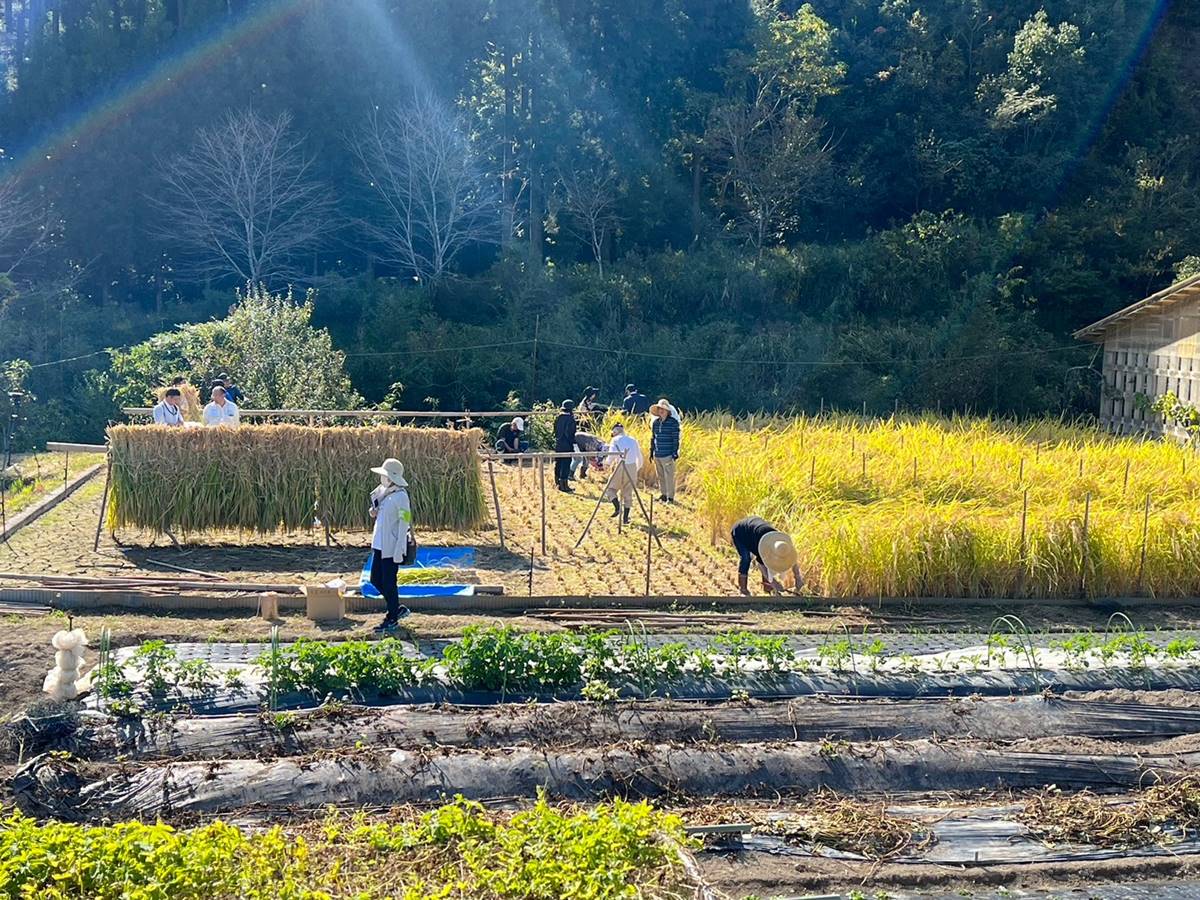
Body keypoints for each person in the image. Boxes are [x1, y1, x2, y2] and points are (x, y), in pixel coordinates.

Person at [368, 457, 413, 631]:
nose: (382, 479)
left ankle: (392, 616)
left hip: (391, 546)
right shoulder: (381, 491)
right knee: (375, 579)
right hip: (379, 543)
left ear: (391, 478)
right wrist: (373, 510)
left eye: (384, 476)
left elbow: (405, 522)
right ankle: (396, 607)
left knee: (388, 582)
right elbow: (375, 510)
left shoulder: (401, 497)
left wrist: (399, 548)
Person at [731, 515, 805, 596]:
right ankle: (743, 590)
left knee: (767, 561)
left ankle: (767, 589)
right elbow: (761, 565)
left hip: (756, 527)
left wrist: (798, 578)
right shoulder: (762, 546)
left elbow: (792, 560)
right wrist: (774, 583)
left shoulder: (782, 543)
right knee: (746, 558)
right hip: (740, 532)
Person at [604, 422, 644, 523]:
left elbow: (612, 455)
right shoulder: (633, 440)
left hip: (620, 466)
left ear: (615, 431)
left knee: (610, 489)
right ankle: (625, 519)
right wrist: (635, 469)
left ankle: (617, 507)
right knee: (628, 493)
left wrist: (607, 464)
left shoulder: (615, 440)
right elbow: (639, 458)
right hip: (632, 467)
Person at [649, 398, 681, 503]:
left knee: (669, 476)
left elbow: (675, 439)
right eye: (659, 409)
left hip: (667, 453)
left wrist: (674, 452)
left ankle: (670, 497)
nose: (661, 411)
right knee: (661, 476)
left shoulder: (673, 423)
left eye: (663, 409)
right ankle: (663, 494)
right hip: (657, 453)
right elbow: (653, 438)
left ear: (667, 411)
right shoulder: (656, 423)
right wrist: (651, 451)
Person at [553, 399, 577, 493]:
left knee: (558, 462)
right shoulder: (571, 419)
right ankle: (564, 485)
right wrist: (573, 443)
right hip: (567, 444)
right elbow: (570, 433)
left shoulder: (558, 418)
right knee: (566, 463)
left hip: (558, 443)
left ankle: (557, 482)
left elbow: (555, 431)